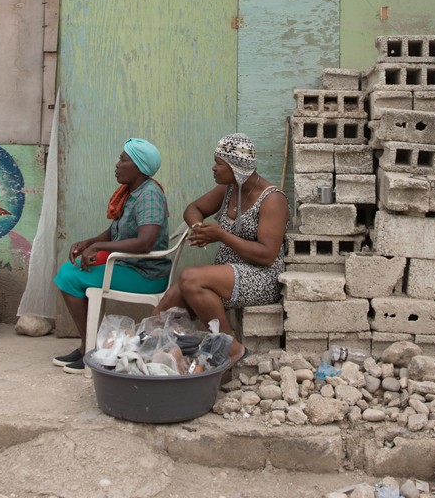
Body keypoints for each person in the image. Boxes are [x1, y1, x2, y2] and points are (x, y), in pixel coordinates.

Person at [156, 133, 288, 366]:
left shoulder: (272, 199)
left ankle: (231, 349)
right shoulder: (228, 190)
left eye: (219, 163)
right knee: (167, 305)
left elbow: (267, 255)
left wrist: (221, 235)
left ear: (237, 166)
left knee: (190, 278)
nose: (214, 168)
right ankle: (160, 357)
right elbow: (193, 208)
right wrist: (199, 228)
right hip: (225, 274)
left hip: (260, 277)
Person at [51, 138, 169, 373]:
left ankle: (89, 349)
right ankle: (90, 344)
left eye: (123, 160)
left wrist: (100, 247)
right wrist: (90, 242)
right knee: (70, 270)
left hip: (145, 274)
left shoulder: (149, 195)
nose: (117, 164)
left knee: (69, 277)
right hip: (129, 265)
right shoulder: (132, 193)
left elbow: (145, 241)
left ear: (139, 167)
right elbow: (116, 231)